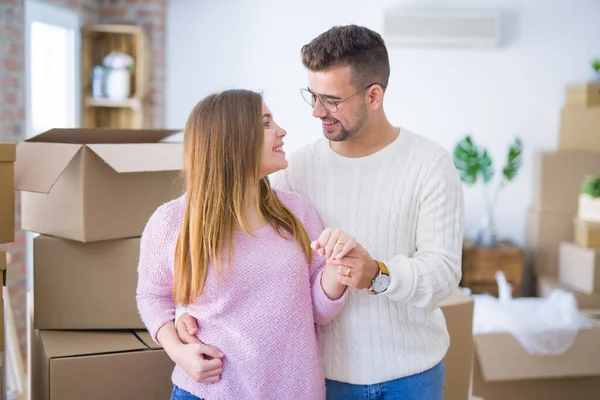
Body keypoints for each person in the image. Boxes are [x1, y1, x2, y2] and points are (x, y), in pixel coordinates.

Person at [177, 25, 464, 400]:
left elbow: (444, 271)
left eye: (330, 100)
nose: (316, 112)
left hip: (411, 376)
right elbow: (237, 251)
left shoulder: (430, 164)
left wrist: (378, 274)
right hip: (322, 379)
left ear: (374, 95)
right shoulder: (294, 171)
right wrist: (184, 310)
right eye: (311, 95)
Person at [136, 89, 354, 400]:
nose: (281, 131)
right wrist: (177, 352)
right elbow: (151, 297)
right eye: (266, 123)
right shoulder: (172, 222)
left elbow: (318, 311)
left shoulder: (297, 212)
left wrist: (337, 267)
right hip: (209, 391)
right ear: (232, 140)